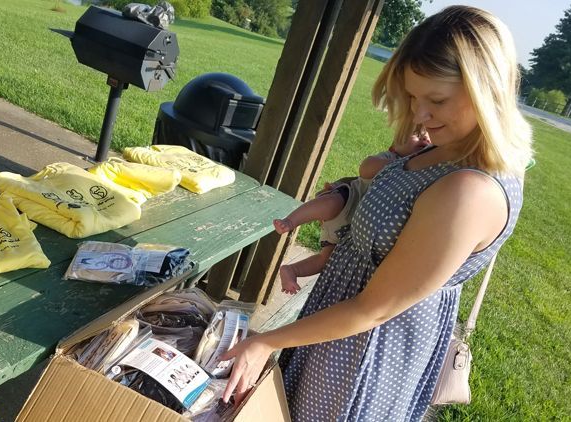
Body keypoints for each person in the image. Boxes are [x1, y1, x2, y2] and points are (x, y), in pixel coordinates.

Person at [220, 6, 532, 421]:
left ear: (487, 90)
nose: (420, 116)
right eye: (413, 97)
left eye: (437, 100)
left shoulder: (469, 191)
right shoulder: (446, 148)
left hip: (363, 351)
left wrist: (267, 341)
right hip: (336, 329)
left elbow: (374, 309)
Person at [273, 127, 431, 294]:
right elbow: (365, 168)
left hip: (350, 230)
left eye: (429, 138)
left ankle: (292, 271)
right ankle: (291, 221)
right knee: (330, 203)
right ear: (394, 145)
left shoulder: (421, 172)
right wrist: (398, 164)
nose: (426, 139)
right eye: (417, 134)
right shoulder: (390, 157)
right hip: (350, 200)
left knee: (326, 259)